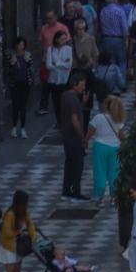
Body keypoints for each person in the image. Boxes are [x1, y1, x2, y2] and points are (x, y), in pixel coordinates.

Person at [0, 189, 36, 272]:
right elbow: (7, 232)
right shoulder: (10, 214)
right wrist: (18, 232)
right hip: (8, 246)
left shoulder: (24, 213)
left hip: (17, 246)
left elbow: (30, 224)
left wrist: (33, 236)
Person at [88, 95, 126, 207]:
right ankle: (114, 197)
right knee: (114, 173)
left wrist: (85, 140)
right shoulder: (118, 119)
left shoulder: (98, 117)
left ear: (106, 105)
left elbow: (90, 131)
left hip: (100, 148)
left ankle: (99, 198)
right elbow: (122, 136)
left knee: (100, 172)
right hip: (115, 148)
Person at [59, 70, 88, 201]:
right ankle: (76, 190)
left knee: (69, 163)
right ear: (74, 85)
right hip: (74, 138)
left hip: (66, 136)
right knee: (77, 165)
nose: (84, 88)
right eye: (82, 85)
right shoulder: (74, 99)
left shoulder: (65, 96)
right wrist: (83, 138)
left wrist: (83, 103)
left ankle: (66, 189)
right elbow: (75, 120)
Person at [6, 37, 34, 139]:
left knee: (23, 107)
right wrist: (11, 64)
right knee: (15, 106)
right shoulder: (11, 56)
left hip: (25, 83)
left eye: (22, 45)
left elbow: (31, 69)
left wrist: (27, 62)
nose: (20, 47)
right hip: (15, 84)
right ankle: (13, 128)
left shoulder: (28, 55)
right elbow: (8, 71)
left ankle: (22, 128)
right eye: (18, 45)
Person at [45, 28, 73, 120]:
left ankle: (65, 120)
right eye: (62, 39)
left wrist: (56, 64)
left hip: (65, 80)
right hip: (54, 81)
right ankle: (59, 121)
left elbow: (69, 65)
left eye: (65, 39)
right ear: (56, 39)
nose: (64, 41)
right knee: (56, 102)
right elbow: (48, 65)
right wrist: (62, 63)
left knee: (65, 102)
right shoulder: (51, 49)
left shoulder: (68, 49)